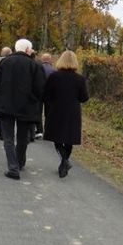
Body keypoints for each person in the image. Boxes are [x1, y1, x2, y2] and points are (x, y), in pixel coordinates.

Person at [0, 39, 45, 180]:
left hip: (6, 105)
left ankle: (13, 167)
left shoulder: (5, 62)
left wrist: (0, 94)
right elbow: (40, 89)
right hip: (26, 106)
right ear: (27, 49)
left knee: (8, 137)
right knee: (22, 137)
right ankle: (19, 162)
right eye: (31, 49)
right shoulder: (35, 65)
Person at [43, 50, 89, 178]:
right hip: (72, 111)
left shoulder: (54, 76)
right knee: (69, 138)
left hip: (56, 110)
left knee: (56, 136)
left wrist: (51, 102)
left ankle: (64, 161)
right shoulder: (80, 79)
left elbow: (46, 94)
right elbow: (84, 98)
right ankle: (65, 162)